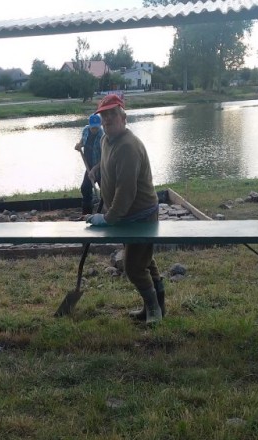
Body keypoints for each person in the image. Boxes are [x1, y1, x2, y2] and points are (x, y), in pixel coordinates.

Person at [86, 94, 164, 324]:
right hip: (126, 216)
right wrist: (97, 169)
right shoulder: (107, 140)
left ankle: (154, 311)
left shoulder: (128, 146)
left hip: (140, 216)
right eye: (104, 115)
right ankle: (157, 306)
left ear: (124, 118)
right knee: (144, 261)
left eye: (112, 114)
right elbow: (110, 166)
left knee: (134, 267)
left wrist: (108, 218)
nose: (107, 119)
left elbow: (126, 191)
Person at [74, 113, 103, 214]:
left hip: (102, 168)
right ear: (89, 125)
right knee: (85, 188)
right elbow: (83, 140)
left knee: (105, 192)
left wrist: (94, 170)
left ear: (100, 125)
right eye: (92, 127)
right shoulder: (86, 130)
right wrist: (79, 145)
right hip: (89, 166)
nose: (94, 130)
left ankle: (103, 214)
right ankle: (86, 214)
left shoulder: (103, 136)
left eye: (96, 128)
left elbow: (105, 157)